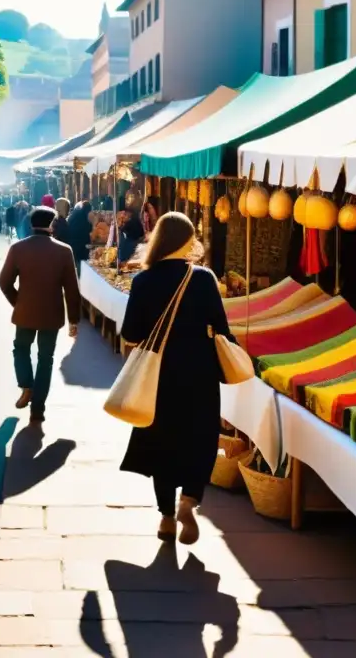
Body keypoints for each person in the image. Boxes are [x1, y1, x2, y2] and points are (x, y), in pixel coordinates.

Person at [118, 212, 235, 545]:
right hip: (199, 372)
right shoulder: (203, 278)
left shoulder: (143, 281)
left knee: (162, 443)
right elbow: (222, 328)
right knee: (200, 439)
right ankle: (190, 500)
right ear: (186, 241)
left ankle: (167, 518)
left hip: (158, 376)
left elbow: (131, 332)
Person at [0, 206, 81, 425]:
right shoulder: (64, 251)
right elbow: (72, 289)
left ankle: (26, 385)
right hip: (51, 314)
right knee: (46, 359)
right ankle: (38, 408)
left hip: (25, 312)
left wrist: (18, 302)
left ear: (31, 224)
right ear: (52, 224)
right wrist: (74, 319)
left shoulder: (18, 248)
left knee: (21, 349)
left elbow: (4, 282)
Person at [67, 200, 93, 274]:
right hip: (81, 250)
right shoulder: (84, 218)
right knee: (80, 270)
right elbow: (88, 232)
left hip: (73, 248)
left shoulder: (73, 216)